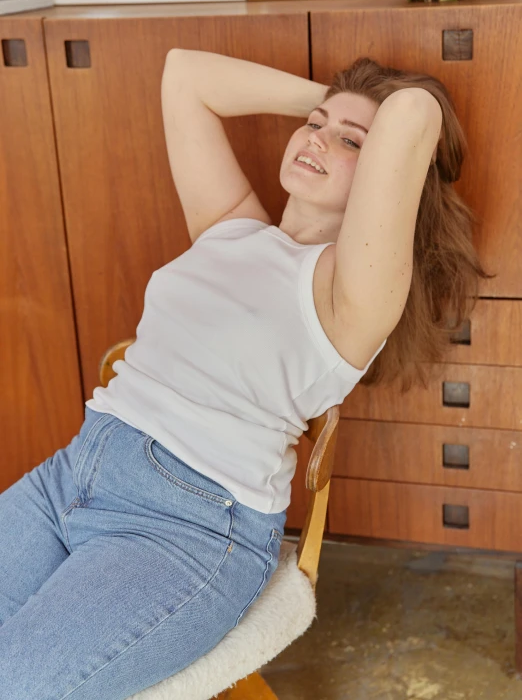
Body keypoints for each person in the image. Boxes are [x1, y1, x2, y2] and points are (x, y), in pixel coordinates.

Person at [0, 49, 490, 699]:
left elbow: (411, 112)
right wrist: (335, 100)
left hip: (186, 529)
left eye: (351, 140)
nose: (316, 137)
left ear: (384, 172)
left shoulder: (353, 293)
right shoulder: (231, 230)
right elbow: (183, 75)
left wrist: (365, 112)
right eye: (313, 124)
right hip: (74, 474)